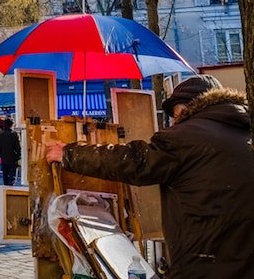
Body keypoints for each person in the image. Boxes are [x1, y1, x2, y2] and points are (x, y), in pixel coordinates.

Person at [46, 75, 254, 278]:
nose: (174, 122)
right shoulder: (245, 131)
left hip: (204, 259)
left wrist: (69, 154)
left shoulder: (186, 136)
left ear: (189, 107)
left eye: (176, 114)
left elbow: (135, 161)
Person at [0, 119, 20, 186]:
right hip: (12, 158)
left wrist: (0, 154)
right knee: (12, 178)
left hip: (3, 158)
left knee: (5, 177)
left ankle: (6, 189)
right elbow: (17, 147)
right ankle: (10, 190)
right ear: (11, 125)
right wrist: (18, 156)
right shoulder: (13, 134)